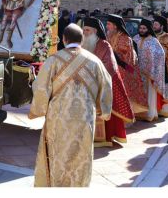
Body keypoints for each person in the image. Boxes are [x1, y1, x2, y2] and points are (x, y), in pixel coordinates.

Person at [29, 24, 112, 187]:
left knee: (57, 154)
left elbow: (41, 88)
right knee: (81, 156)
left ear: (64, 39)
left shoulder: (54, 60)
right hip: (85, 119)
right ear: (82, 40)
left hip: (58, 118)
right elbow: (107, 86)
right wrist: (103, 110)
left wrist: (39, 108)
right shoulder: (95, 61)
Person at [82, 17, 134, 147]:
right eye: (83, 30)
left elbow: (110, 66)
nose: (84, 33)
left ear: (95, 31)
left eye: (87, 30)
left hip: (102, 83)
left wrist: (95, 77)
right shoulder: (82, 44)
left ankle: (104, 137)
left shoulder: (104, 45)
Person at [106, 14, 148, 116]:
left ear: (115, 26)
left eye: (109, 24)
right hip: (112, 68)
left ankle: (126, 115)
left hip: (124, 70)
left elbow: (125, 57)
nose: (106, 26)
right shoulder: (109, 35)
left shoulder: (125, 38)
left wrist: (111, 53)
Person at [133, 19, 168, 121]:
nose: (141, 30)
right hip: (137, 72)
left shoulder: (154, 41)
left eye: (144, 28)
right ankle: (138, 113)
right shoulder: (135, 38)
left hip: (149, 73)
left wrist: (152, 67)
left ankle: (150, 114)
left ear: (149, 29)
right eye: (140, 28)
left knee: (149, 94)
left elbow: (161, 55)